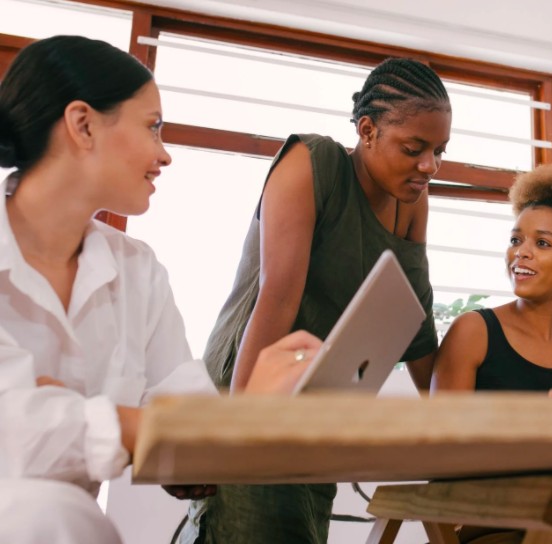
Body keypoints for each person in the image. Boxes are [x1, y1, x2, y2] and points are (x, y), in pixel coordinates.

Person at [0, 35, 322, 544]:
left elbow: (186, 442)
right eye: (152, 128)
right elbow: (17, 432)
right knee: (47, 509)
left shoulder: (137, 271)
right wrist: (150, 427)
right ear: (83, 125)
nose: (165, 154)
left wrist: (247, 416)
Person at [178, 58, 451, 543]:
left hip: (319, 408)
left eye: (439, 151)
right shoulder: (311, 162)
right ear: (367, 131)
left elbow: (416, 321)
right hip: (252, 391)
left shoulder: (413, 200)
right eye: (414, 149)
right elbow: (276, 300)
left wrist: (459, 423)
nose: (428, 166)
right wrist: (233, 434)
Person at [432, 164, 552, 544]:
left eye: (542, 243)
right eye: (515, 239)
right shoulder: (473, 333)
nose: (520, 253)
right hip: (494, 532)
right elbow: (442, 460)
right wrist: (546, 439)